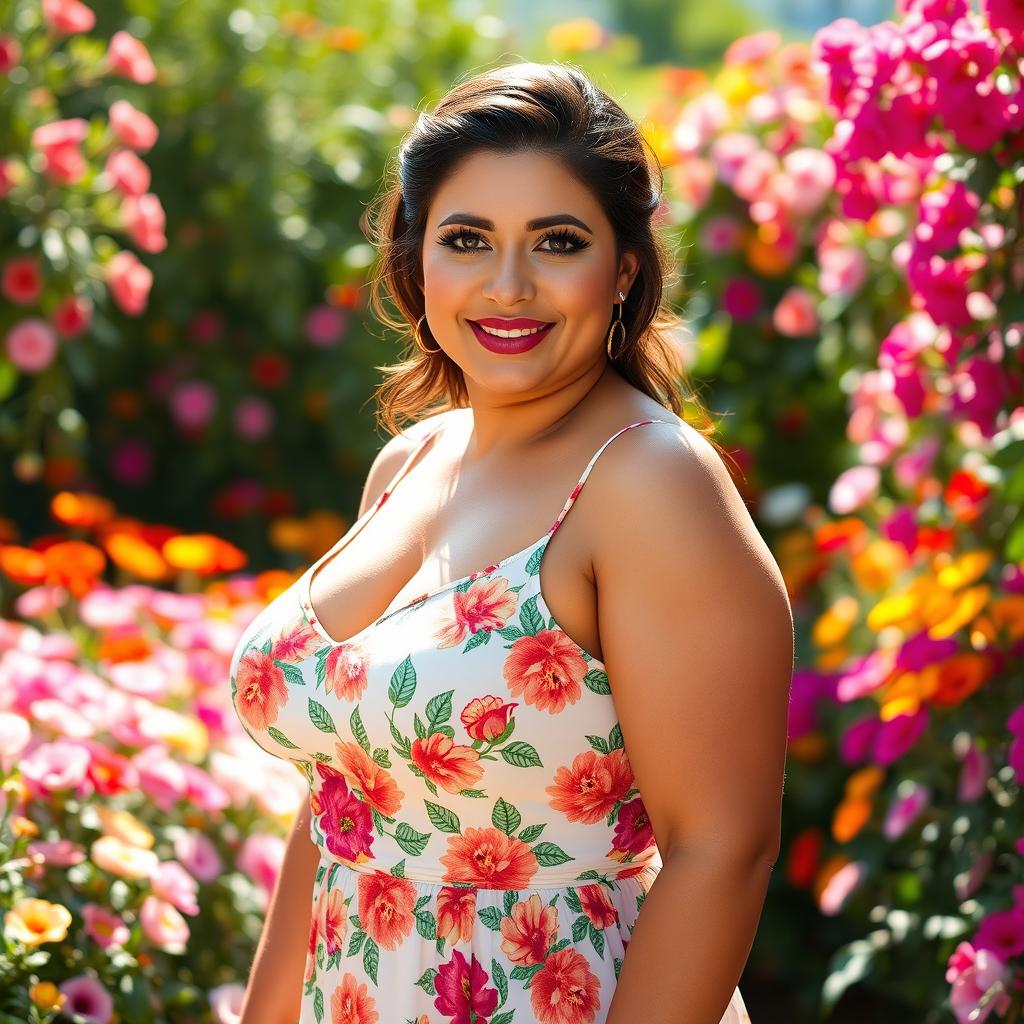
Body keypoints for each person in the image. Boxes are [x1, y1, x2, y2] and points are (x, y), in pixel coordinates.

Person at [230, 60, 793, 1024]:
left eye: (557, 242)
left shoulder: (647, 483)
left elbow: (721, 848)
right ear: (416, 259)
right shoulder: (409, 462)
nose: (508, 286)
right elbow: (341, 803)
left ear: (623, 267)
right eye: (467, 239)